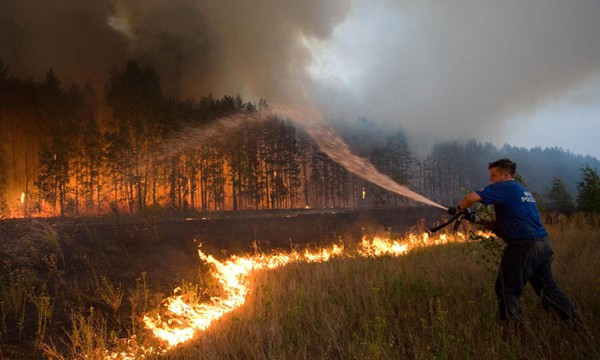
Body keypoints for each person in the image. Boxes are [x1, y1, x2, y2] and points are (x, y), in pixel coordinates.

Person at [450, 158, 579, 324]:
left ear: (505, 175)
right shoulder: (522, 191)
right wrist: (477, 219)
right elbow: (508, 225)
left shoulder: (505, 187)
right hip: (542, 244)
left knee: (506, 290)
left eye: (494, 175)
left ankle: (513, 331)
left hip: (523, 246)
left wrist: (461, 210)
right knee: (548, 289)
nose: (491, 179)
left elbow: (469, 198)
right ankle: (575, 322)